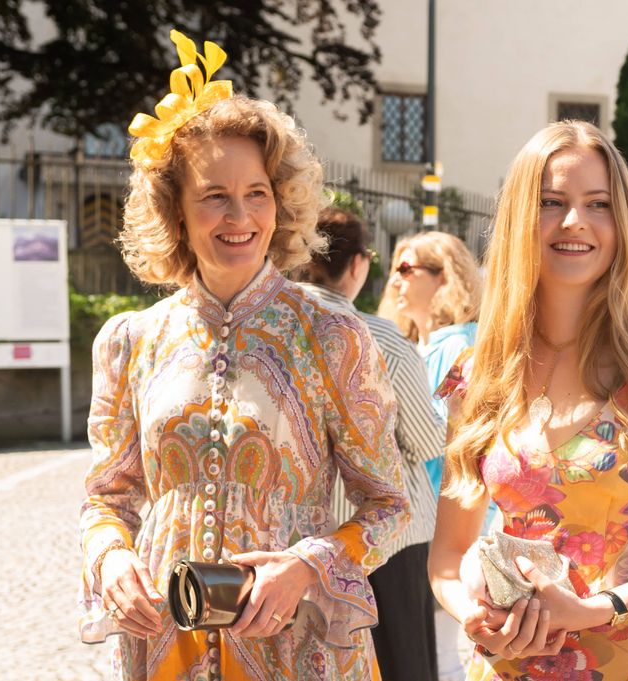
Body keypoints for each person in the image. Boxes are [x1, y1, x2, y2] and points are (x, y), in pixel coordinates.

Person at [78, 32, 409, 681]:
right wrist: (113, 560)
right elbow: (105, 499)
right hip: (166, 644)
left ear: (279, 199)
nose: (241, 215)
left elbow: (390, 506)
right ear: (176, 208)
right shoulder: (129, 341)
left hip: (299, 648)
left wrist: (308, 563)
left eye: (256, 192)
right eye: (215, 195)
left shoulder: (329, 335)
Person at [427, 120, 628, 680]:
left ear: (621, 221)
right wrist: (473, 614)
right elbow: (450, 558)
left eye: (597, 203)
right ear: (519, 220)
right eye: (550, 201)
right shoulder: (479, 373)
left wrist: (598, 608)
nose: (574, 221)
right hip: (511, 668)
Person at [297, 207, 442, 681]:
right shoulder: (379, 337)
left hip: (299, 540)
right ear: (357, 264)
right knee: (403, 665)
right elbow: (426, 439)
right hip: (387, 541)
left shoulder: (271, 332)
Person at [377, 231, 483, 681]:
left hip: (447, 520)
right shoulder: (422, 346)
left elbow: (443, 442)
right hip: (426, 521)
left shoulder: (457, 346)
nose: (395, 281)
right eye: (394, 269)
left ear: (446, 278)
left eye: (407, 268)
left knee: (440, 650)